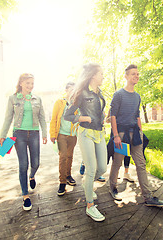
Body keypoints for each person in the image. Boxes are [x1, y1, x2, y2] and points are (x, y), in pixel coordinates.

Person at [108, 64, 163, 207]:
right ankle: (113, 188)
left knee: (141, 164)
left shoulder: (137, 96)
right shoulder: (118, 95)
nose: (136, 76)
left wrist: (140, 132)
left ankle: (148, 197)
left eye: (137, 74)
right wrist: (116, 135)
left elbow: (137, 116)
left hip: (135, 134)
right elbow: (113, 116)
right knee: (117, 163)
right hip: (121, 134)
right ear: (126, 76)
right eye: (133, 74)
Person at [64, 63, 107, 222]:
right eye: (101, 73)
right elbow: (67, 116)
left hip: (99, 133)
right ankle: (90, 206)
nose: (103, 76)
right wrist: (82, 118)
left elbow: (98, 112)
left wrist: (103, 119)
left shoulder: (100, 93)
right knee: (91, 169)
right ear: (93, 75)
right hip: (85, 133)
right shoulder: (81, 93)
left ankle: (87, 184)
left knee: (102, 167)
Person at [0, 73, 48, 211]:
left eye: (32, 83)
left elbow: (42, 118)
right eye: (28, 83)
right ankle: (25, 195)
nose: (30, 86)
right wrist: (3, 135)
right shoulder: (13, 98)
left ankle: (32, 176)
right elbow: (8, 118)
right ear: (21, 83)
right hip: (19, 134)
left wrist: (44, 133)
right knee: (23, 165)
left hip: (34, 134)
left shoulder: (37, 99)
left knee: (36, 163)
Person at [50, 82, 78, 196]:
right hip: (61, 134)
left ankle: (68, 175)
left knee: (70, 156)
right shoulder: (59, 102)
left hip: (72, 135)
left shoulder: (76, 104)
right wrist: (52, 134)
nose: (73, 92)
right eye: (71, 89)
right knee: (63, 157)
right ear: (66, 90)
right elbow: (54, 119)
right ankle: (62, 182)